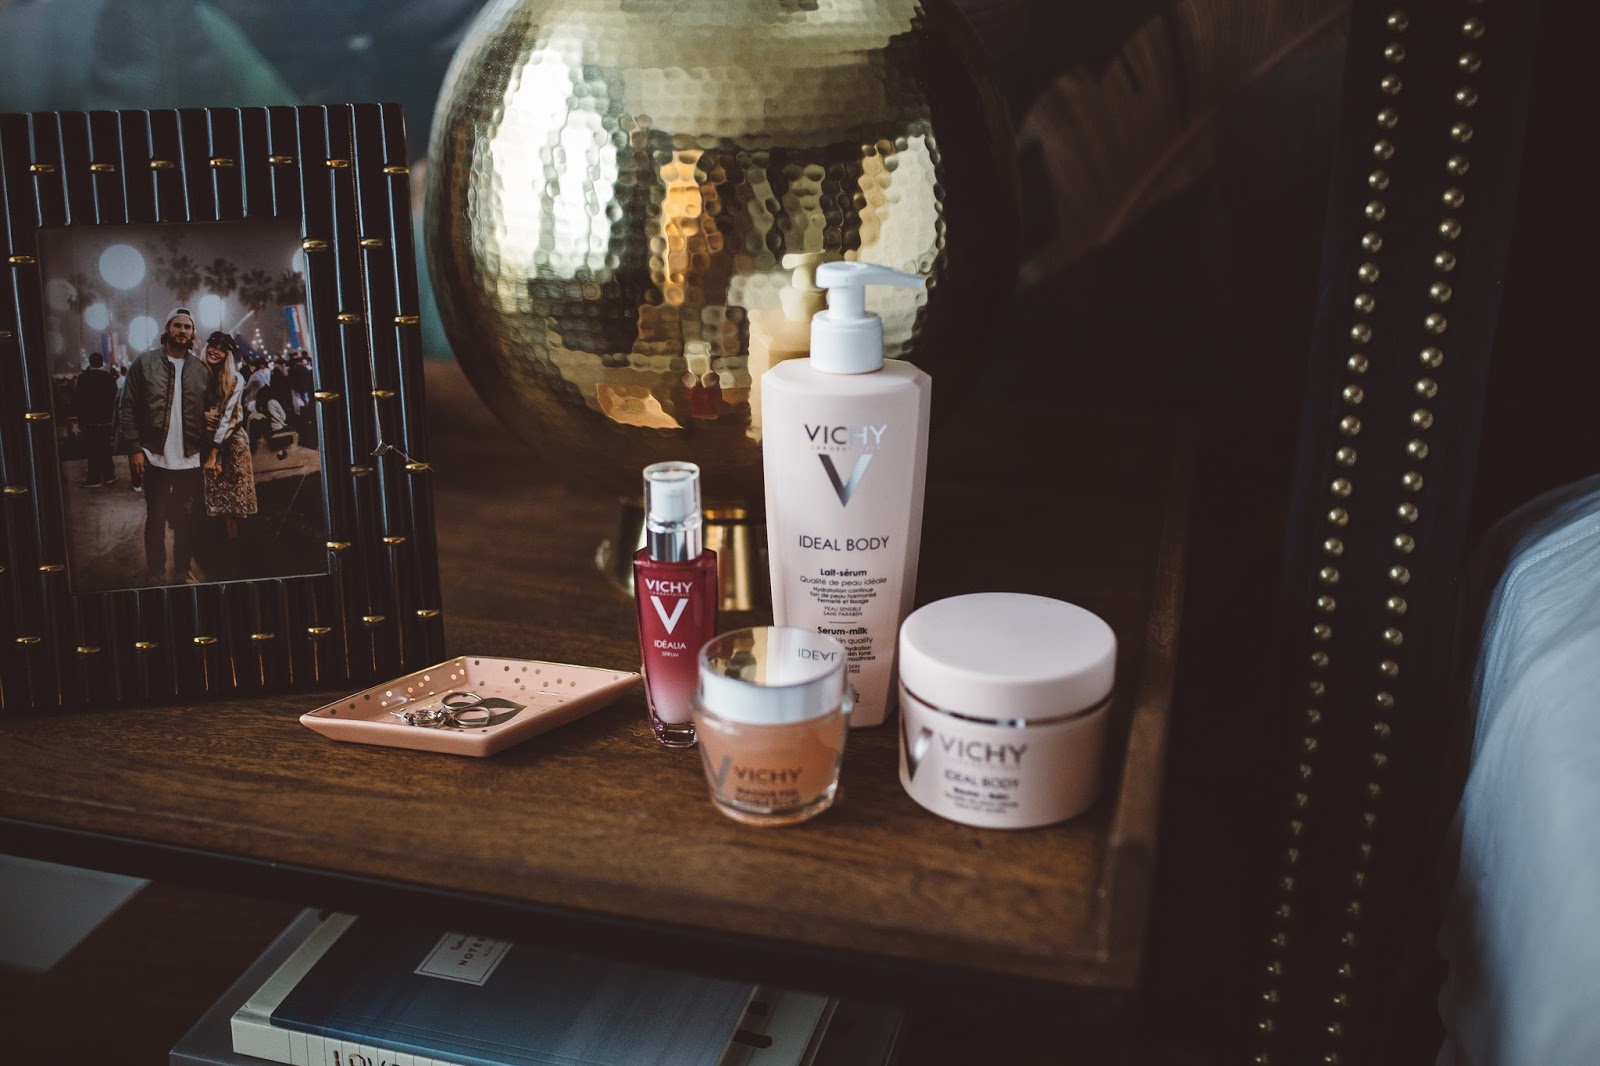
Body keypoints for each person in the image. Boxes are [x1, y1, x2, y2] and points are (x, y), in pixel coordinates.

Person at [114, 307, 211, 585]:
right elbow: (127, 406)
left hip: (190, 458)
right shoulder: (145, 363)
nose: (182, 331)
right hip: (154, 456)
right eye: (177, 326)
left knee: (186, 519)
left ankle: (183, 569)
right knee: (155, 517)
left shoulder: (200, 370)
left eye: (187, 327)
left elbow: (211, 407)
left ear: (192, 333)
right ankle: (156, 571)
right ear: (167, 329)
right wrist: (134, 448)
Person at [199, 331, 257, 544]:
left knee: (233, 495)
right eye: (213, 346)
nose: (216, 351)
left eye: (222, 349)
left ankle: (235, 543)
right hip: (205, 437)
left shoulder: (235, 379)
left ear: (227, 355)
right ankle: (216, 541)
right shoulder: (197, 374)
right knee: (213, 492)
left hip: (231, 439)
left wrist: (215, 452)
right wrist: (202, 416)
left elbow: (228, 419)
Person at [73, 351, 119, 487]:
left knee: (92, 450)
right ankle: (109, 476)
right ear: (101, 362)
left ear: (90, 362)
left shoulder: (83, 378)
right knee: (106, 448)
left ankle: (94, 478)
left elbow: (78, 399)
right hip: (106, 420)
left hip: (90, 420)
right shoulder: (109, 377)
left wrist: (81, 418)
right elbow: (114, 394)